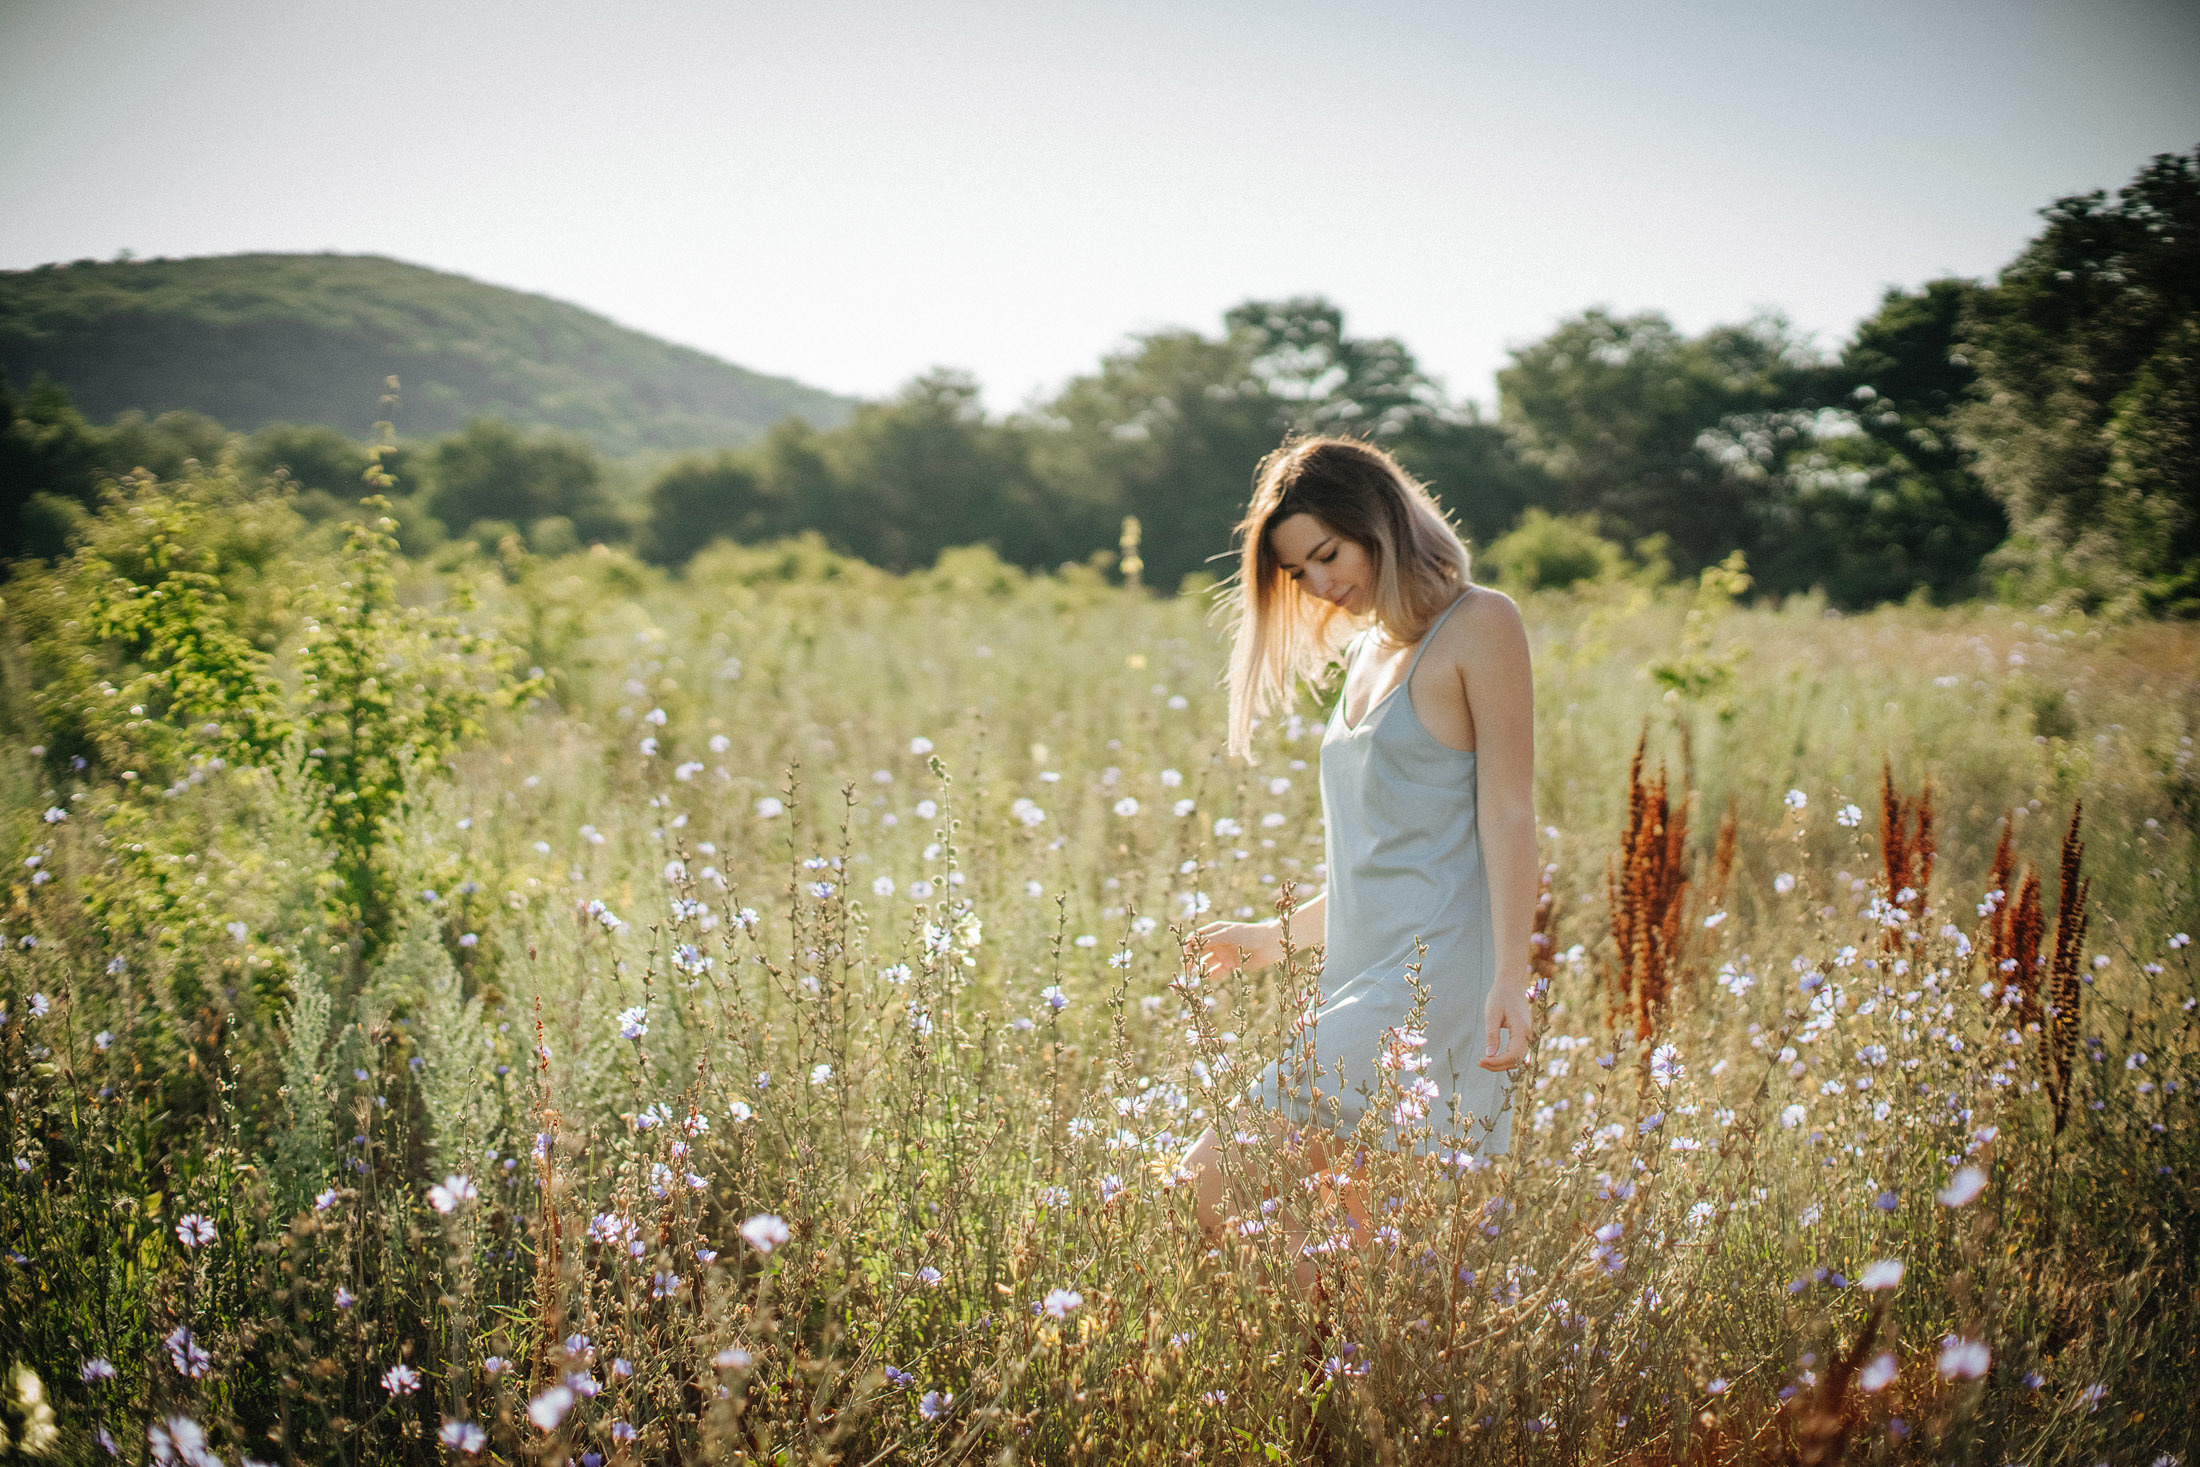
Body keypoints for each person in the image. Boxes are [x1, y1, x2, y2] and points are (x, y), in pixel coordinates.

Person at [1181, 435, 1536, 1256]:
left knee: (1196, 1188)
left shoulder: (1481, 623)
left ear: (1379, 518)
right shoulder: (1370, 652)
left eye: (1325, 553)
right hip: (1363, 972)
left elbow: (1510, 815)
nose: (1317, 584)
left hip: (1429, 980)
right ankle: (1332, 1384)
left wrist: (1512, 975)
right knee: (1344, 1249)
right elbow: (1386, 862)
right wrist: (1275, 938)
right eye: (1298, 571)